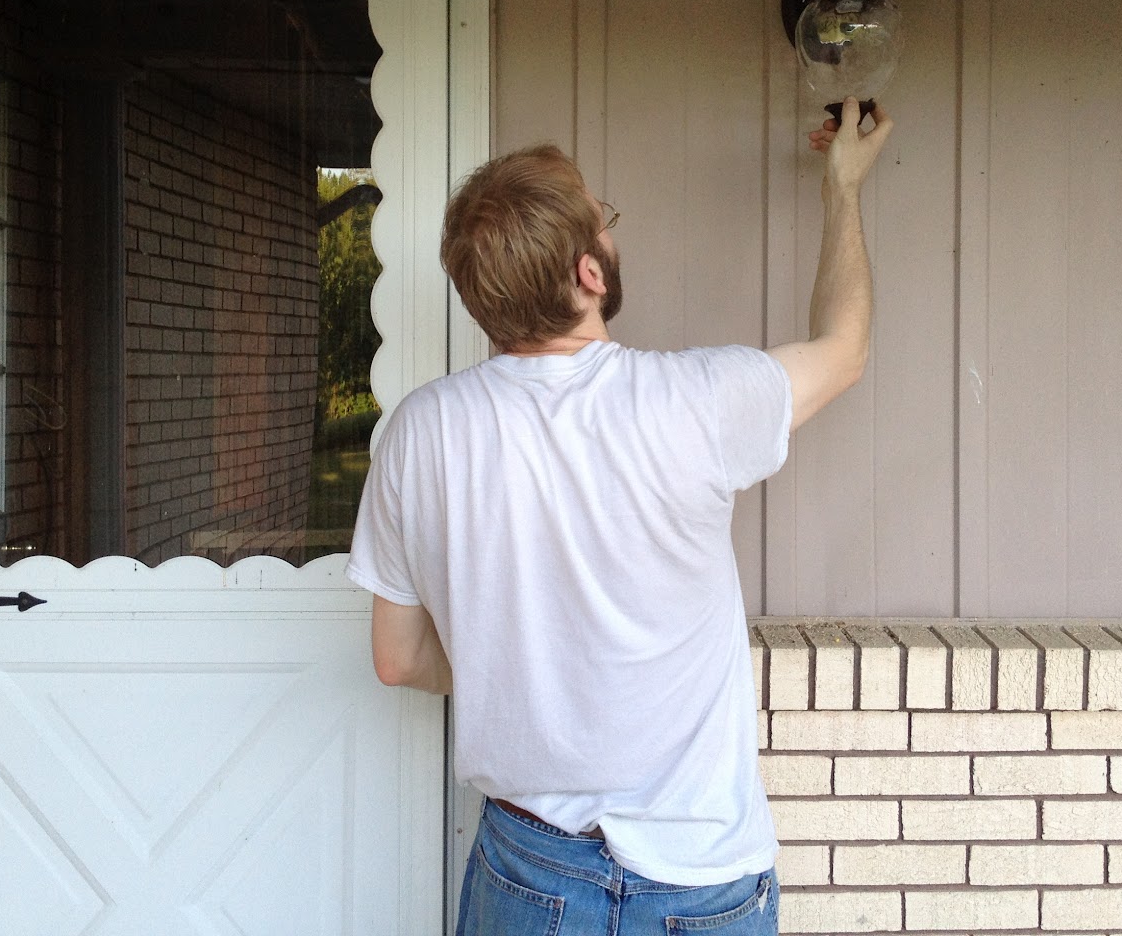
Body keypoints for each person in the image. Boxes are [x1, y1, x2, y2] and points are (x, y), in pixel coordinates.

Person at [346, 96, 891, 934]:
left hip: (528, 871)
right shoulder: (696, 401)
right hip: (700, 879)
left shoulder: (420, 432)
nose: (611, 231)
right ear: (590, 275)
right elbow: (845, 349)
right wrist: (842, 187)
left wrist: (513, 666)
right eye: (605, 221)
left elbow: (397, 658)